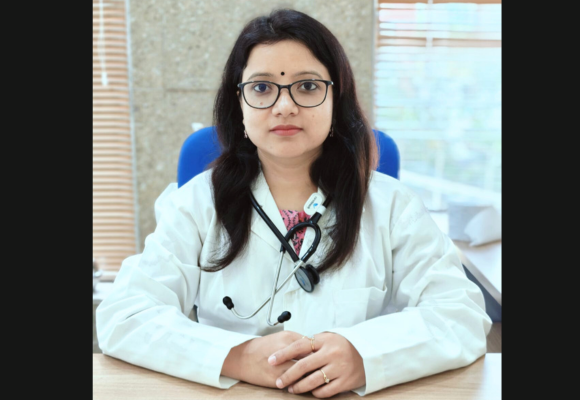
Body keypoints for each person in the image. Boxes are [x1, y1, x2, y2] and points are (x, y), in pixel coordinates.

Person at [96, 8, 492, 398]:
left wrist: (364, 354)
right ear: (239, 104)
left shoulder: (393, 207)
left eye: (307, 86)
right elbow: (124, 315)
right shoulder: (197, 204)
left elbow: (461, 314)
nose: (284, 106)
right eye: (262, 88)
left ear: (336, 99)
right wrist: (237, 357)